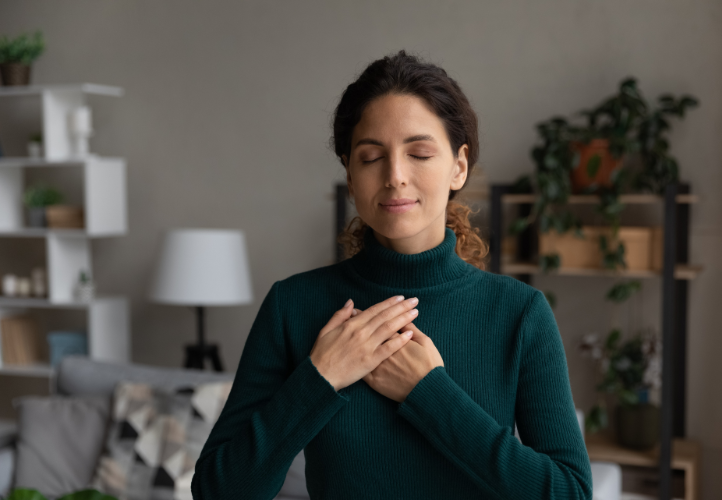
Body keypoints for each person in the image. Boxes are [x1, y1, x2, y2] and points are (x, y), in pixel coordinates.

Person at [192, 50, 592, 500]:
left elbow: (570, 493)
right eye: (370, 157)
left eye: (419, 153)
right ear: (349, 171)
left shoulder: (519, 314)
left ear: (459, 166)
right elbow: (216, 492)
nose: (395, 176)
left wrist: (431, 395)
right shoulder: (293, 305)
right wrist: (319, 379)